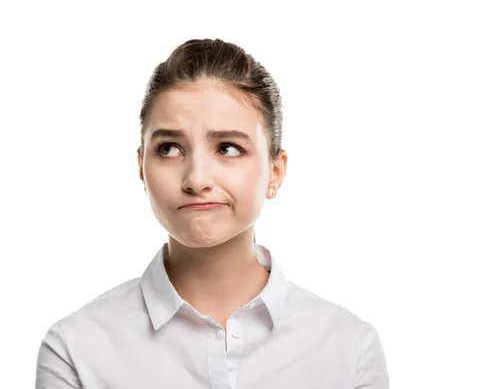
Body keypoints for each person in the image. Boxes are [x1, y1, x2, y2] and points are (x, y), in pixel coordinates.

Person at [35, 38, 389, 389]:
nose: (197, 179)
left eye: (228, 148)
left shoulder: (348, 350)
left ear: (275, 172)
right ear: (142, 168)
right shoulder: (77, 350)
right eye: (169, 148)